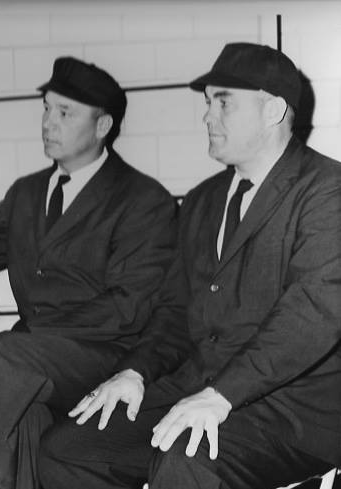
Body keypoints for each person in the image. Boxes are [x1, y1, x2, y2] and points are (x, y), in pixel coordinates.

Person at [38, 42, 341, 489]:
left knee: (186, 461)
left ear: (273, 111)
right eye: (208, 102)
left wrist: (221, 395)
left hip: (291, 410)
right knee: (67, 450)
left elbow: (311, 315)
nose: (207, 117)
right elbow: (176, 310)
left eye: (224, 102)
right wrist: (135, 372)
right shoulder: (202, 201)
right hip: (199, 388)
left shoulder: (327, 190)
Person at [0, 57, 177, 489]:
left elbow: (128, 308)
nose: (48, 122)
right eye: (46, 108)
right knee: (27, 417)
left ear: (103, 126)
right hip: (37, 357)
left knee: (3, 356)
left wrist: (34, 333)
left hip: (106, 356)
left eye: (65, 113)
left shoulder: (143, 200)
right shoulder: (26, 193)